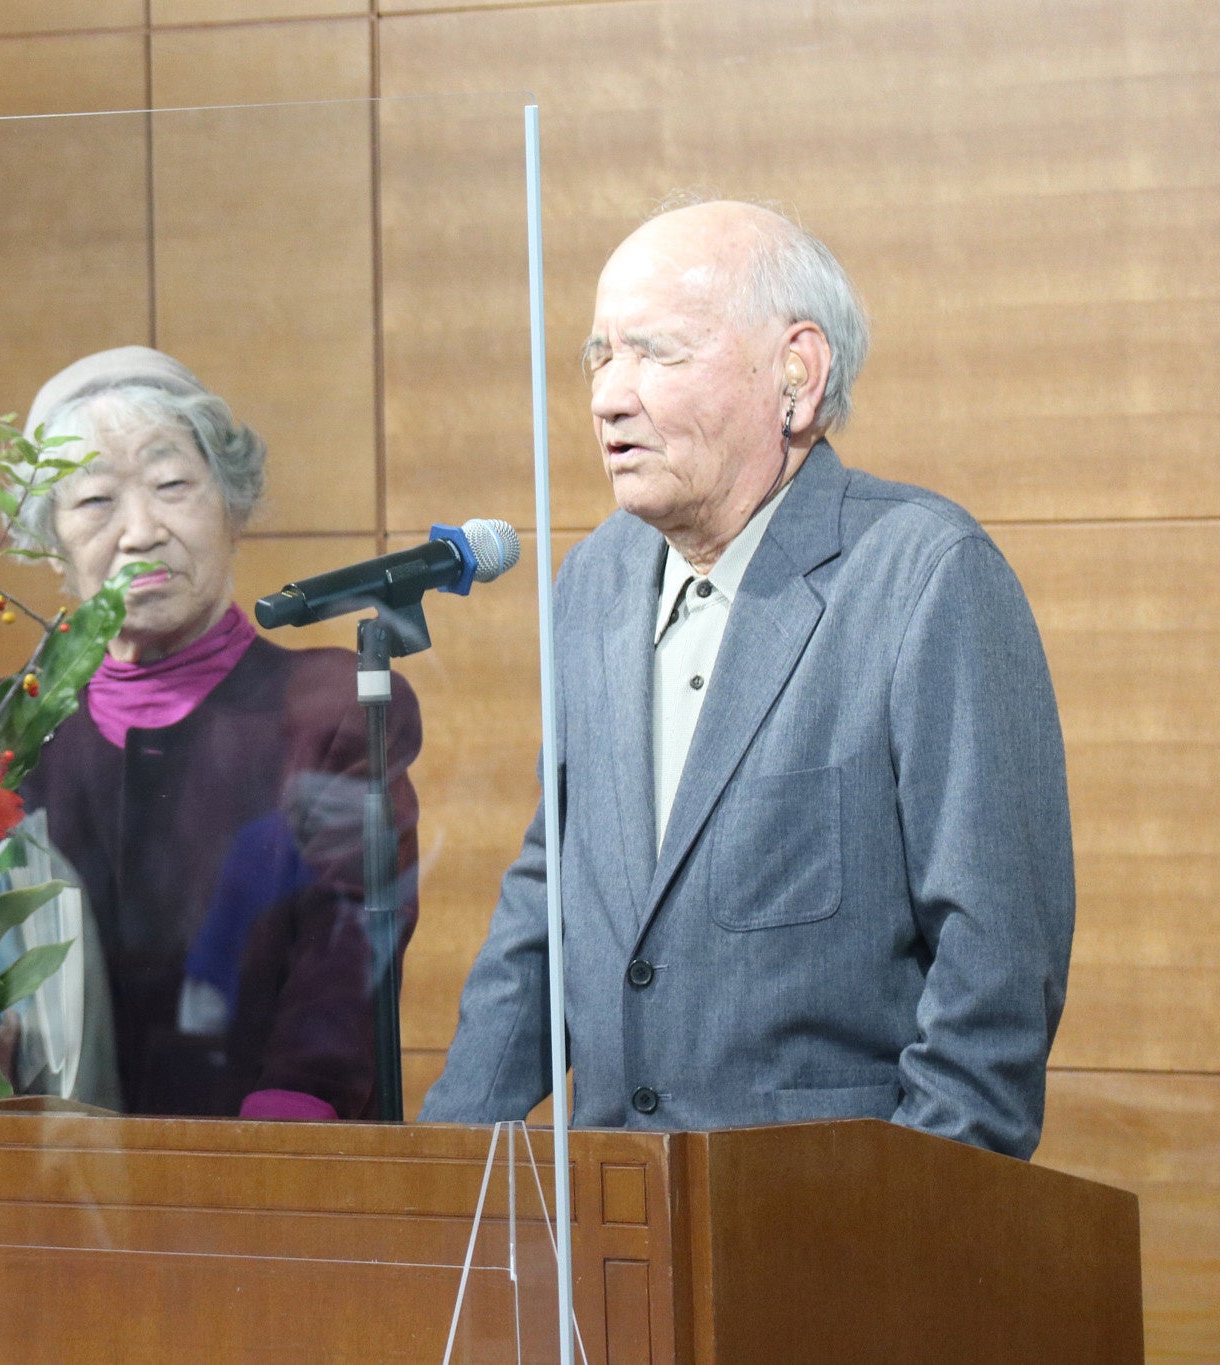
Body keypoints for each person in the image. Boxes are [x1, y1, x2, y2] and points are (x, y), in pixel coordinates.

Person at [420, 201, 1074, 1159]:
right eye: (599, 355)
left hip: (828, 1232)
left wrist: (913, 1214)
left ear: (795, 378)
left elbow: (998, 961)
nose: (608, 395)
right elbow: (549, 901)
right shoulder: (594, 577)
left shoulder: (922, 573)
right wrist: (440, 1173)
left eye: (656, 352)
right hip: (616, 1225)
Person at [3, 346, 423, 1120]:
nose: (140, 531)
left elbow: (346, 951)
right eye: (94, 500)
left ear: (231, 505)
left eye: (172, 486)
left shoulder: (330, 706)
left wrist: (281, 1134)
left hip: (266, 1173)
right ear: (50, 538)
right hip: (41, 1183)